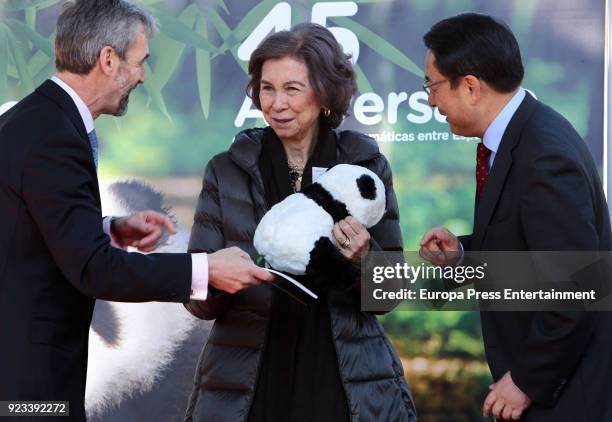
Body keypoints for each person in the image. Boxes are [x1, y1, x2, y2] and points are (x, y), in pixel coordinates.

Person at [0, 1, 272, 420]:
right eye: (141, 61)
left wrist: (108, 228)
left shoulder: (33, 120)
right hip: (30, 383)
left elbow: (25, 225)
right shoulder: (54, 136)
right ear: (108, 59)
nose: (144, 75)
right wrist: (204, 271)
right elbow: (94, 269)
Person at [183, 23, 416, 422]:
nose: (276, 103)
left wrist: (364, 258)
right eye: (267, 88)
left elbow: (389, 293)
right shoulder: (226, 170)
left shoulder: (365, 167)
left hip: (341, 369)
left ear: (325, 94)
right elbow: (198, 298)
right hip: (248, 370)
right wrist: (220, 277)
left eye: (292, 89)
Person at [418, 13, 612, 422]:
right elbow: (531, 247)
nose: (431, 101)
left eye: (432, 87)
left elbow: (577, 286)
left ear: (470, 86)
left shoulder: (544, 153)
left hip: (566, 399)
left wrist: (526, 379)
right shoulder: (518, 137)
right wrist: (463, 255)